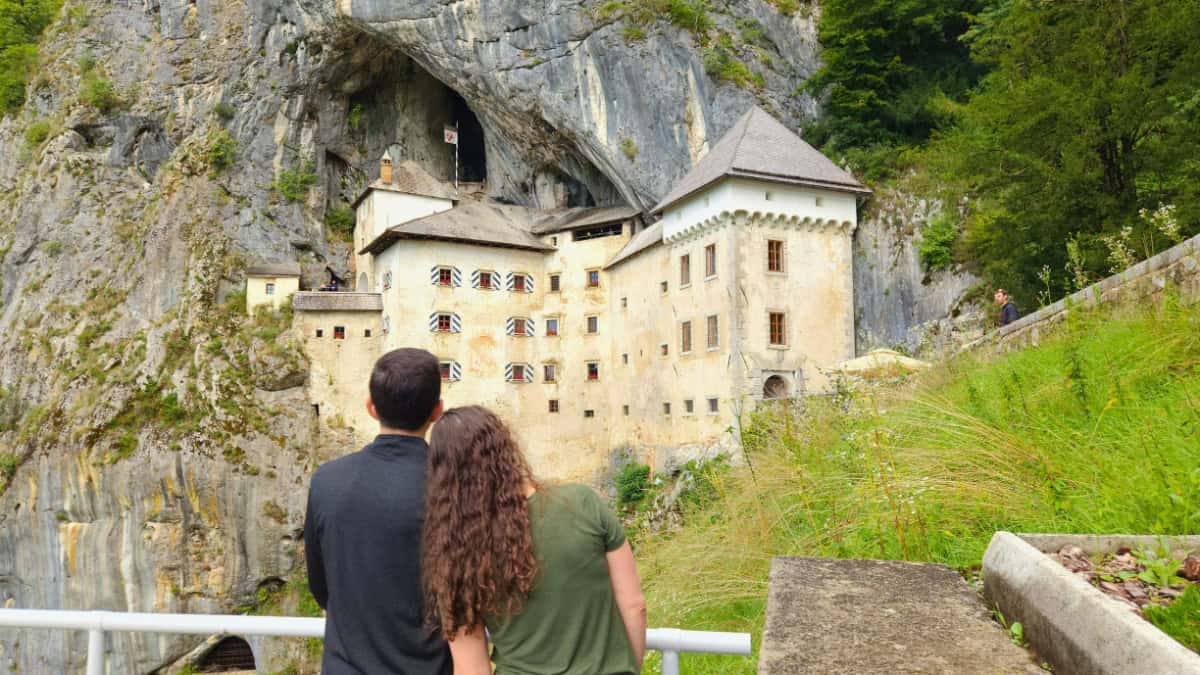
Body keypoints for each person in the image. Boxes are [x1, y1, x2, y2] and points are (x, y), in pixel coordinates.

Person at [421, 406, 647, 675]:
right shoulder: (582, 502)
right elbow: (635, 605)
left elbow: (472, 668)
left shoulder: (457, 554)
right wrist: (628, 667)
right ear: (505, 450)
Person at [303, 348, 452, 674]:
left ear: (371, 408)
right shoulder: (452, 487)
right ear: (436, 411)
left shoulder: (327, 481)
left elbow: (320, 586)